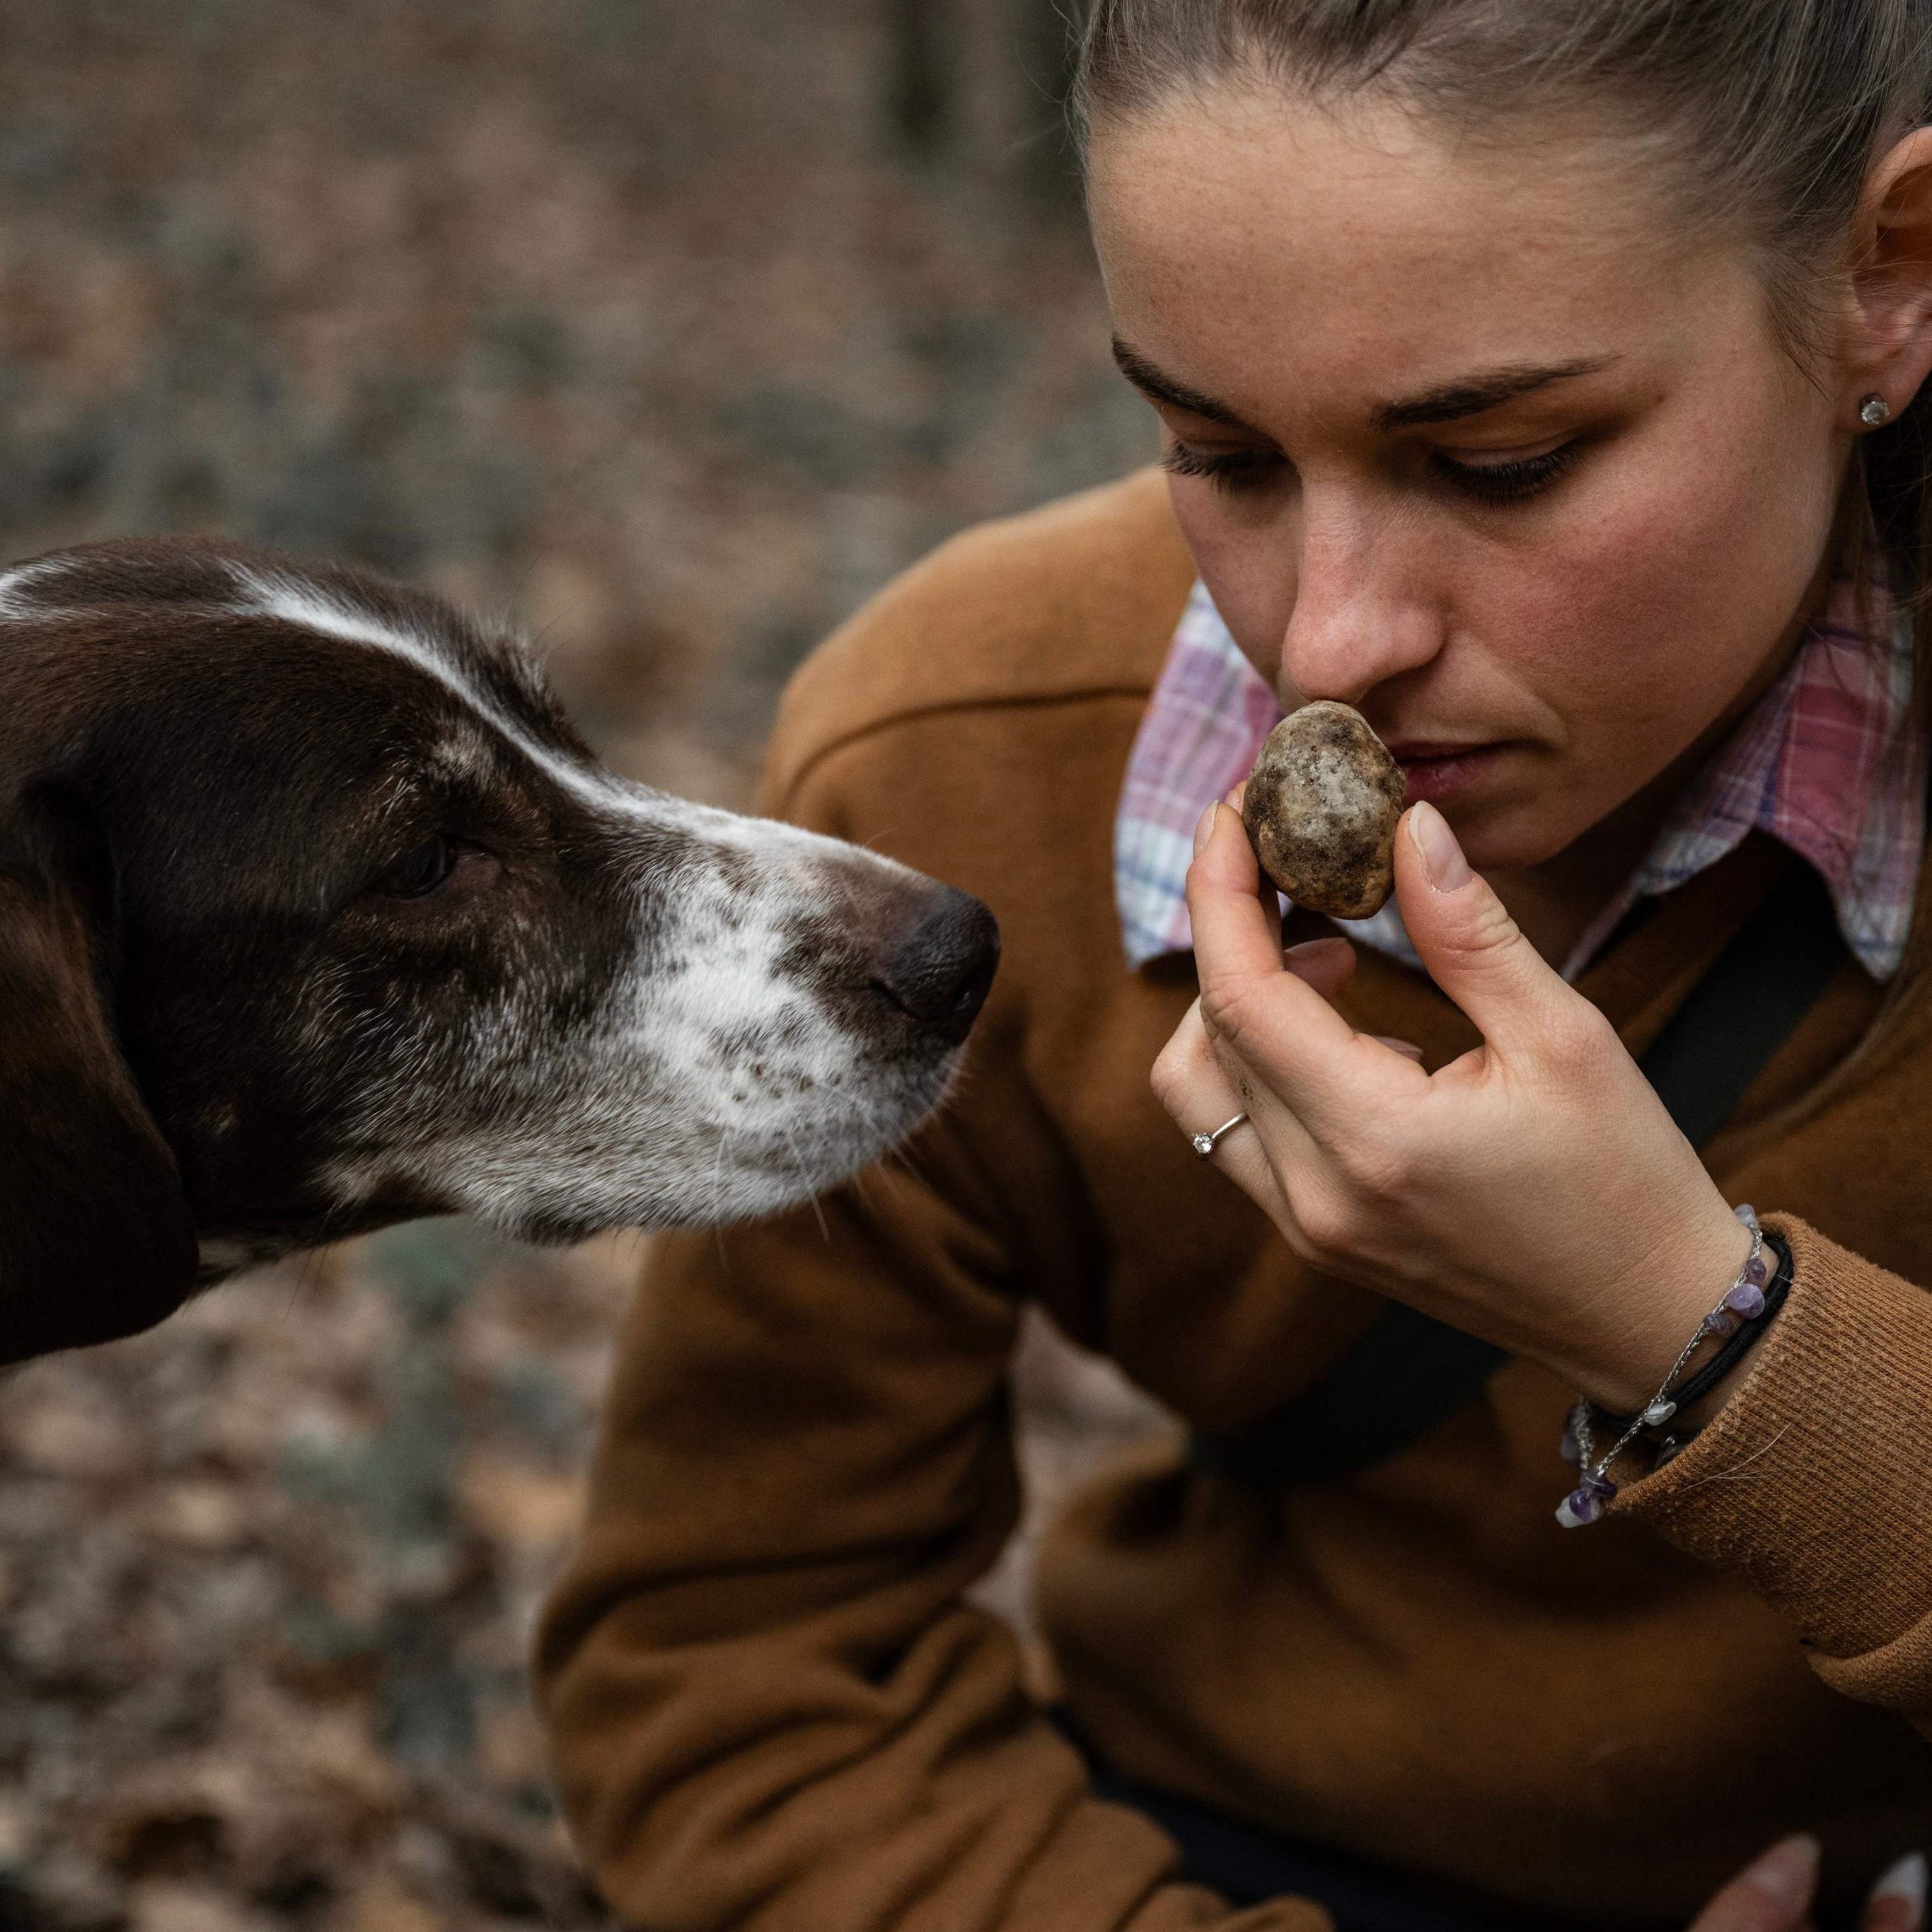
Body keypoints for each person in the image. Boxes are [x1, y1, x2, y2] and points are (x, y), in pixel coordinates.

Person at [534, 3, 1932, 1927]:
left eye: (1501, 461)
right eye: (1219, 452)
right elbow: (741, 1666)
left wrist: (1698, 1328)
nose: (1328, 642)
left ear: (1885, 278)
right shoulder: (954, 772)